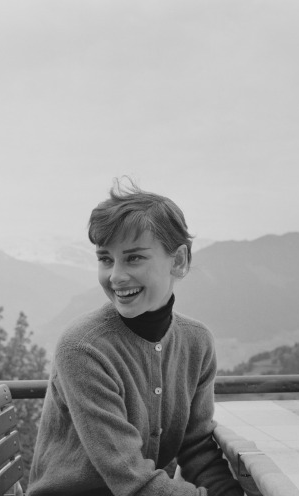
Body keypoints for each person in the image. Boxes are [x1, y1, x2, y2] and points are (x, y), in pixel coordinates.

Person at [28, 178, 244, 496]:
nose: (115, 276)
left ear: (179, 261)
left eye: (134, 257)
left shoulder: (196, 342)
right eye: (105, 259)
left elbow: (197, 448)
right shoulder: (83, 347)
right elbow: (132, 479)